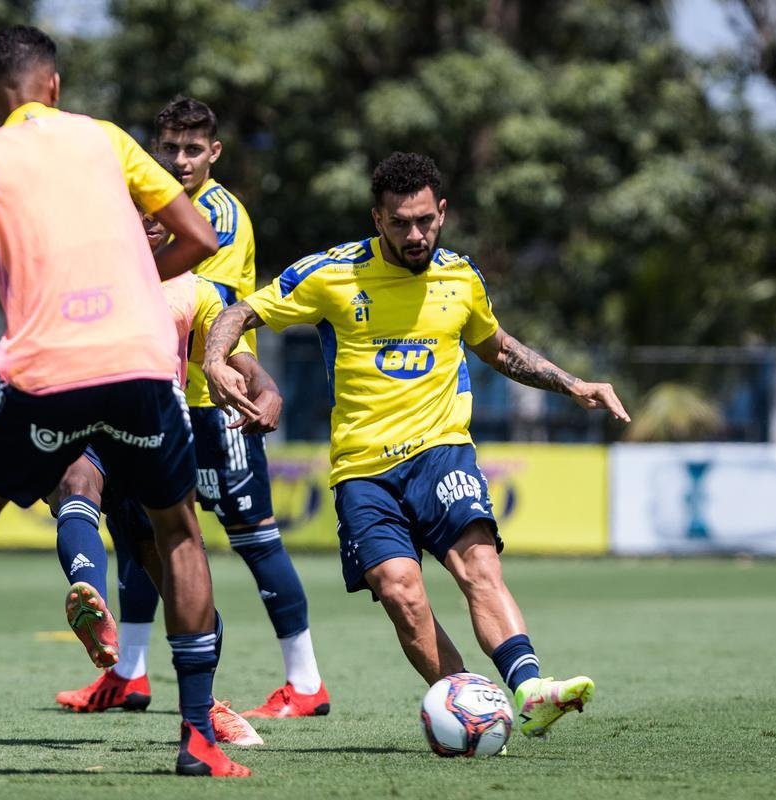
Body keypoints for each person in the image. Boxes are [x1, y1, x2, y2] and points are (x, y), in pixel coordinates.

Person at [0, 25, 248, 777]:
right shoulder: (108, 140)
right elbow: (201, 235)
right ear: (55, 86)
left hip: (45, 374)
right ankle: (198, 739)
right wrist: (134, 285)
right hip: (142, 366)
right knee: (177, 530)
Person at [203, 151, 631, 738]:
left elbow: (498, 347)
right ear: (377, 218)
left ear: (443, 212)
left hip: (442, 451)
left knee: (479, 564)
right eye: (400, 222)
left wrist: (572, 383)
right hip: (362, 472)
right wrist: (214, 358)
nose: (415, 234)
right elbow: (240, 310)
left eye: (425, 220)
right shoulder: (330, 274)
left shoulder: (462, 276)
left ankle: (530, 689)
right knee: (402, 594)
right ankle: (477, 710)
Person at [0, 176, 271, 747]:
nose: (146, 222)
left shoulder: (194, 288)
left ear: (166, 226)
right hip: (110, 418)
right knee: (80, 484)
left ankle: (207, 702)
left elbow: (230, 343)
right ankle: (89, 593)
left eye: (153, 215)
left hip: (151, 425)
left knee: (173, 569)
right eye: (135, 213)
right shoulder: (81, 265)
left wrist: (259, 385)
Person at [109, 96, 325, 719]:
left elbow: (214, 305)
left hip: (216, 399)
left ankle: (305, 682)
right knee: (140, 533)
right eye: (169, 148)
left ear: (215, 153)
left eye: (192, 150)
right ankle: (129, 673)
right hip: (158, 394)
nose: (179, 161)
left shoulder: (220, 215)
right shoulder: (146, 204)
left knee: (254, 538)